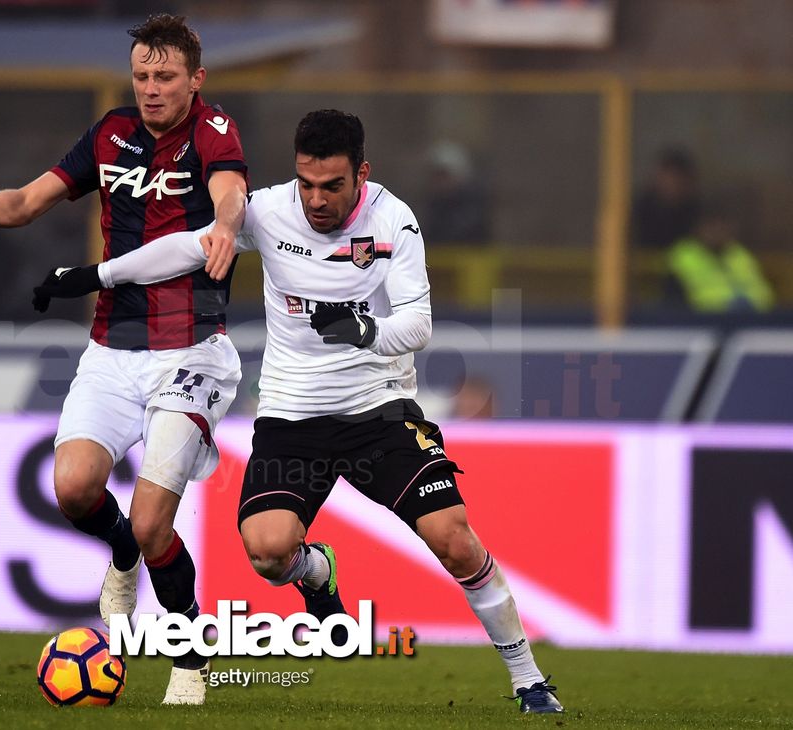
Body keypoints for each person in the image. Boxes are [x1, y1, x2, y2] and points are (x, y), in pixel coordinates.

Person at [35, 110, 564, 714]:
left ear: (361, 173)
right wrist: (95, 276)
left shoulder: (395, 219)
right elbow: (186, 248)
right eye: (306, 183)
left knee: (455, 539)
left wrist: (365, 330)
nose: (316, 199)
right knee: (266, 553)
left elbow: (418, 323)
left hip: (379, 412)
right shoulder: (267, 210)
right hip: (291, 417)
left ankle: (529, 680)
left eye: (332, 186)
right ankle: (316, 572)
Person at [0, 13, 248, 705]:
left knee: (157, 518)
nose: (152, 89)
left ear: (196, 79)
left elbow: (229, 190)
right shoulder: (109, 136)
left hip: (191, 352)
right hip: (111, 347)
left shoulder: (213, 131)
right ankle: (122, 550)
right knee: (72, 489)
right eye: (142, 76)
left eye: (165, 77)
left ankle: (190, 658)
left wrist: (223, 223)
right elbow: (25, 203)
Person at [667, 205, 774, 314]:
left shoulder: (740, 254)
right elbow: (676, 297)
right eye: (712, 227)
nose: (717, 232)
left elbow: (761, 291)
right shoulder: (684, 255)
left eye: (722, 227)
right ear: (699, 229)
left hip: (752, 316)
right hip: (704, 319)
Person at [632, 146, 700, 250]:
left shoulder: (697, 215)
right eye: (668, 178)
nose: (672, 184)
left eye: (678, 180)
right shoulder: (640, 211)